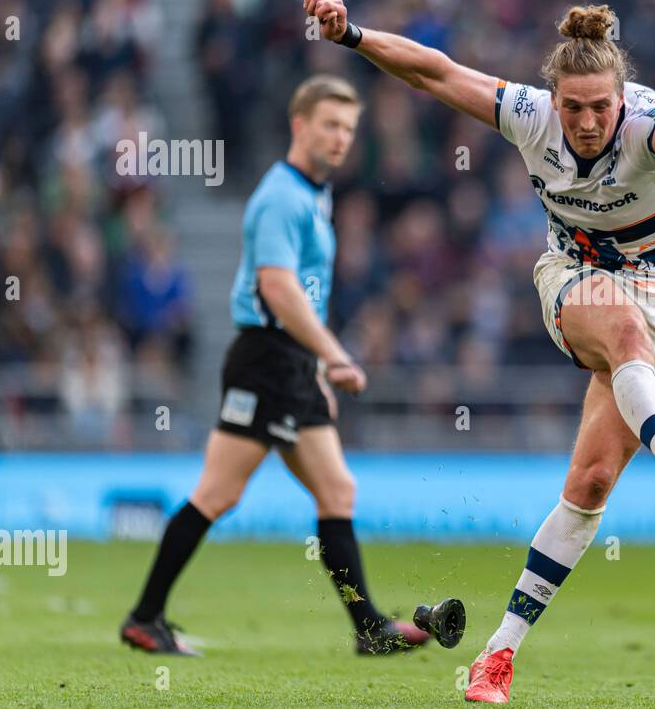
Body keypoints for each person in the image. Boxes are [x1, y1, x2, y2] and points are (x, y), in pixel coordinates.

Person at [303, 0, 655, 702]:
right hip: (572, 280)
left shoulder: (646, 128)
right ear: (554, 98)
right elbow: (436, 72)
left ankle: (496, 655)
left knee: (591, 485)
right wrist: (353, 34)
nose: (583, 122)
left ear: (619, 101)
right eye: (571, 107)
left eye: (598, 108)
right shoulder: (530, 116)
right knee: (621, 330)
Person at [119, 74, 464, 656]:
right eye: (329, 125)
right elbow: (278, 289)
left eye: (349, 130)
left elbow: (303, 291)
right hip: (266, 359)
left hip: (292, 362)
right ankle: (143, 616)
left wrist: (316, 368)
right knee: (219, 493)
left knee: (336, 489)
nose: (340, 139)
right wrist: (332, 356)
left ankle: (370, 630)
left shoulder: (312, 192)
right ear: (298, 124)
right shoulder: (281, 196)